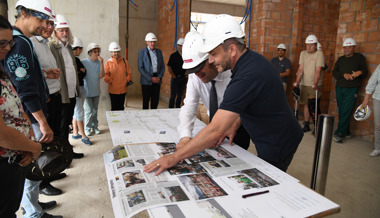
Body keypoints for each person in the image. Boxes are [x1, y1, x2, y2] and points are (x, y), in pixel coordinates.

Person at [145, 14, 303, 175]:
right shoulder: (249, 63)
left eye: (213, 54)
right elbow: (251, 99)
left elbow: (216, 130)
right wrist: (234, 123)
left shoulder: (247, 74)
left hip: (278, 140)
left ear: (232, 50)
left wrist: (173, 158)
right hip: (270, 133)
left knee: (270, 180)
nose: (211, 60)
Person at [3, 1, 62, 217]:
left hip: (30, 115)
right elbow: (25, 88)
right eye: (41, 20)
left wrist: (45, 75)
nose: (44, 25)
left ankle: (33, 204)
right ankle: (32, 212)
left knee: (33, 166)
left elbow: (21, 75)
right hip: (31, 118)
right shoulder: (19, 44)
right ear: (24, 13)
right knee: (31, 167)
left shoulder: (22, 41)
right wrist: (42, 122)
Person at [177, 31, 250, 150]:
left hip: (237, 126)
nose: (196, 74)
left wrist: (236, 122)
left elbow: (248, 103)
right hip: (214, 124)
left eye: (199, 68)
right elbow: (189, 105)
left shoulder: (233, 73)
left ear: (211, 59)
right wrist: (185, 137)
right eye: (192, 70)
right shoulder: (195, 76)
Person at [0, 14, 42, 218]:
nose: (8, 48)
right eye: (2, 44)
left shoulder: (1, 70)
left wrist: (26, 144)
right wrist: (34, 147)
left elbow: (17, 108)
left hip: (15, 156)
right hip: (3, 160)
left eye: (9, 43)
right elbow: (2, 134)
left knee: (10, 210)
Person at [30, 11, 67, 199]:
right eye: (47, 23)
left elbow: (43, 71)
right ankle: (43, 182)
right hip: (44, 99)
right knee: (44, 141)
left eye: (52, 24)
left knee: (54, 137)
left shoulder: (46, 44)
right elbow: (32, 74)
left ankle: (51, 171)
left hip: (54, 94)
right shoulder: (31, 43)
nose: (50, 27)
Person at [49, 14, 84, 159]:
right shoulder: (52, 46)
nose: (64, 33)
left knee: (67, 123)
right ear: (55, 32)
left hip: (71, 93)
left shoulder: (69, 48)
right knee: (61, 125)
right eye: (61, 30)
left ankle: (67, 151)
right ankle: (62, 156)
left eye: (66, 30)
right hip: (61, 93)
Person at [332, 38, 368, 143]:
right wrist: (344, 75)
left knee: (346, 110)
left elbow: (365, 72)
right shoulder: (341, 59)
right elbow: (334, 72)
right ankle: (347, 131)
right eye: (345, 47)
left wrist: (359, 72)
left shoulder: (359, 58)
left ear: (353, 48)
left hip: (352, 89)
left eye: (349, 47)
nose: (347, 49)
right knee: (342, 109)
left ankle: (339, 133)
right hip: (339, 87)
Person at [293, 34, 325, 134]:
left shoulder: (319, 54)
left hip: (314, 84)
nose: (309, 47)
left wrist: (315, 83)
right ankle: (306, 124)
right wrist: (297, 82)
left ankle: (317, 126)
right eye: (307, 45)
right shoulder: (303, 53)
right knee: (306, 105)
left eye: (311, 45)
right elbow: (301, 69)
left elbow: (318, 70)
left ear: (315, 45)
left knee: (314, 106)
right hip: (304, 83)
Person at [71, 37, 92, 145]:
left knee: (76, 111)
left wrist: (80, 71)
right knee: (79, 112)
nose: (81, 52)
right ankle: (83, 136)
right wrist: (80, 71)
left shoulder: (75, 59)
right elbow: (80, 73)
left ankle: (75, 132)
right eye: (81, 49)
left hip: (77, 87)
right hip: (77, 88)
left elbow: (84, 72)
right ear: (77, 49)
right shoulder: (73, 59)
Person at [82, 43, 105, 136]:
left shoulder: (99, 63)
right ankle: (87, 128)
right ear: (90, 52)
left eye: (98, 52)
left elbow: (101, 76)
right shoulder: (83, 62)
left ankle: (95, 126)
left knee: (95, 110)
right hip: (86, 92)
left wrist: (102, 63)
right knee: (88, 111)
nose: (97, 54)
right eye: (95, 52)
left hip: (96, 91)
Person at [138, 32, 165, 109]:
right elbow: (140, 68)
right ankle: (145, 119)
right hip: (146, 80)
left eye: (154, 42)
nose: (153, 43)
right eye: (151, 42)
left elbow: (162, 66)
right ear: (147, 42)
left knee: (155, 101)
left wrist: (159, 77)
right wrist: (150, 78)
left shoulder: (159, 52)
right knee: (146, 101)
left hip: (157, 79)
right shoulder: (141, 52)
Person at [104, 41, 132, 111]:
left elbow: (129, 73)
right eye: (114, 52)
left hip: (123, 89)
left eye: (117, 51)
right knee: (114, 108)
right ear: (111, 52)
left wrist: (126, 80)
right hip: (113, 90)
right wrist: (111, 81)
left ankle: (121, 122)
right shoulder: (108, 62)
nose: (116, 53)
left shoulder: (124, 61)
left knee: (121, 108)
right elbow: (105, 75)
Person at [361, 64, 380, 157]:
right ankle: (377, 148)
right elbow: (372, 81)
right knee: (378, 125)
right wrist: (366, 98)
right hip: (378, 99)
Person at [167, 38, 186, 108]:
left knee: (180, 96)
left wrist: (186, 75)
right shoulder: (173, 56)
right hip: (175, 79)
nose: (181, 47)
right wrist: (174, 76)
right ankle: (170, 109)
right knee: (173, 96)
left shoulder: (186, 56)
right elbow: (169, 67)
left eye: (182, 45)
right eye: (179, 45)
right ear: (177, 46)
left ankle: (178, 109)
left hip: (183, 78)